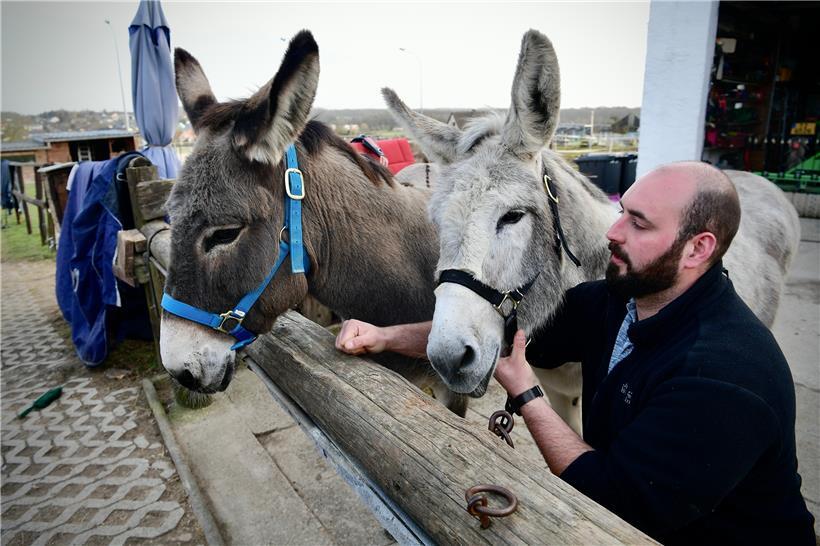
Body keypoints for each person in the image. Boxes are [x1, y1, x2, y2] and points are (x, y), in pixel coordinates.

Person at [335, 161, 816, 544]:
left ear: (697, 249)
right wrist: (384, 336)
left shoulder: (723, 375)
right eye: (621, 209)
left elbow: (612, 499)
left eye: (639, 223)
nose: (614, 231)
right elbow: (498, 335)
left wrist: (529, 398)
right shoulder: (615, 300)